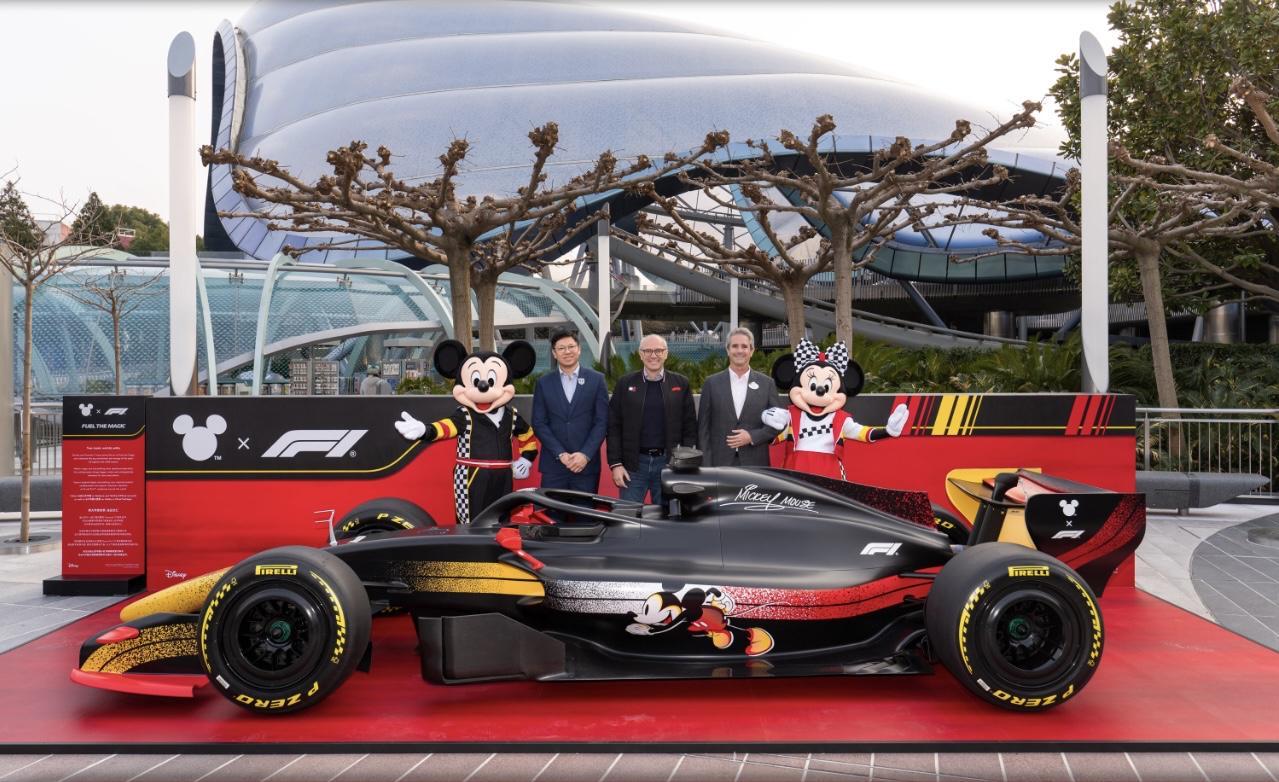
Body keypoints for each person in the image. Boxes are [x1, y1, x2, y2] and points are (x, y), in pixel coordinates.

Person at [607, 334, 697, 506]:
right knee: (627, 515)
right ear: (640, 354)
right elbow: (613, 426)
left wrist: (684, 465)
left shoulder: (681, 383)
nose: (653, 355)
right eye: (647, 351)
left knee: (668, 517)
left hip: (669, 464)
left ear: (666, 353)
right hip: (633, 466)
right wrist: (616, 464)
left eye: (658, 351)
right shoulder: (625, 383)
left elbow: (689, 427)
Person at [532, 329, 609, 495]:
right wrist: (560, 454)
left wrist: (585, 454)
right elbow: (539, 423)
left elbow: (602, 422)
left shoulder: (596, 380)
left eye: (571, 347)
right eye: (561, 348)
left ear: (579, 349)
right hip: (554, 466)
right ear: (554, 353)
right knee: (552, 510)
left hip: (586, 466)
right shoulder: (543, 383)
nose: (567, 351)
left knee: (584, 511)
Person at [697, 327, 782, 467]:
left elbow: (778, 423)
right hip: (719, 464)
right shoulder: (711, 383)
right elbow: (703, 429)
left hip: (755, 464)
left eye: (744, 346)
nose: (739, 351)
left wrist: (752, 436)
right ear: (728, 350)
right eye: (735, 346)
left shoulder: (767, 384)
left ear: (752, 351)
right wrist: (706, 465)